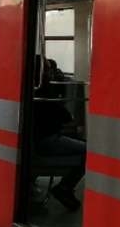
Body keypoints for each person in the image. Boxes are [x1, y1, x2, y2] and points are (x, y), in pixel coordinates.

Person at [32, 66, 85, 211]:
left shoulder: (32, 91)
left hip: (39, 140)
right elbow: (67, 117)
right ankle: (65, 187)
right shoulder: (45, 94)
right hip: (48, 141)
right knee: (88, 151)